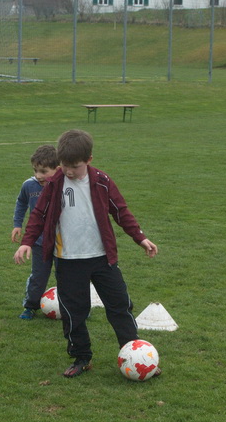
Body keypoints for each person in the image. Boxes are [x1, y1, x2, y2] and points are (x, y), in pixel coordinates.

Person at [14, 129, 159, 378]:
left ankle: (136, 354)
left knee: (119, 305)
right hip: (68, 260)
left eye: (75, 166)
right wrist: (27, 242)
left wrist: (141, 238)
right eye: (64, 165)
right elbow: (39, 214)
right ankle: (81, 357)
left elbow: (120, 211)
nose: (69, 171)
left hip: (102, 258)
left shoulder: (102, 181)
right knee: (73, 312)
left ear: (89, 160)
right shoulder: (55, 184)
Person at [11, 144, 59, 319]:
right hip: (39, 242)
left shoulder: (63, 186)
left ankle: (77, 308)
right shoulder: (29, 186)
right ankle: (30, 306)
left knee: (67, 278)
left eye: (44, 171)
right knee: (39, 277)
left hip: (62, 243)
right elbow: (21, 203)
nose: (39, 175)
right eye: (35, 170)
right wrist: (17, 224)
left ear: (57, 169)